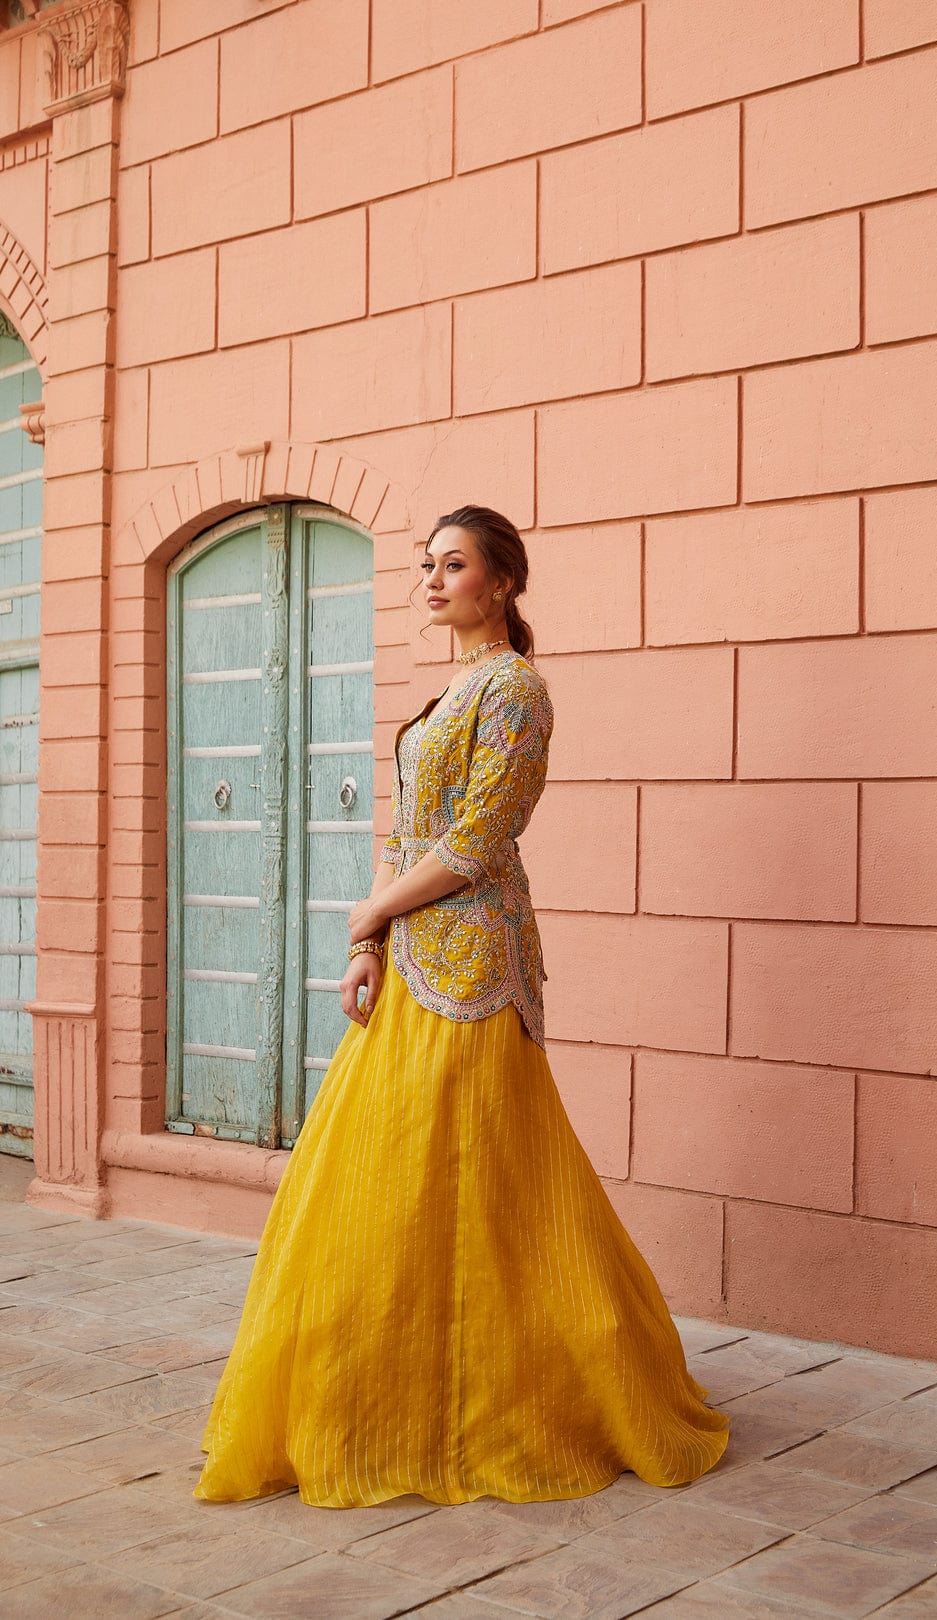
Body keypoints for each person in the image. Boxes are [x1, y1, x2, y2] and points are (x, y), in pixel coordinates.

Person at [194, 505, 730, 1508]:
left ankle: (508, 1394)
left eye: (454, 565)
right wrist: (367, 941)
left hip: (477, 972)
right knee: (388, 1177)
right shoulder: (452, 693)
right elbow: (407, 834)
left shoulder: (518, 692)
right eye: (425, 564)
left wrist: (366, 909)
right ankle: (388, 1390)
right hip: (412, 966)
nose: (432, 580)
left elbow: (481, 841)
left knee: (487, 1182)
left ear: (503, 584)